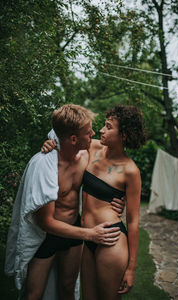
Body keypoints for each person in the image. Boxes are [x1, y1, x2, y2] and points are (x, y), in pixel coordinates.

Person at [5, 104, 124, 300]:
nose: (94, 134)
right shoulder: (46, 166)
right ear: (73, 139)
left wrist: (120, 199)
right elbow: (46, 222)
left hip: (73, 230)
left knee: (68, 287)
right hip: (47, 235)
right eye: (88, 132)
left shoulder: (87, 153)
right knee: (33, 294)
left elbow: (121, 168)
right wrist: (90, 234)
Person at [43, 104, 146, 300]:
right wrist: (50, 143)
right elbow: (67, 141)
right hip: (88, 238)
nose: (101, 130)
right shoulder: (93, 146)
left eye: (108, 127)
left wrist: (131, 268)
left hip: (110, 240)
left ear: (123, 135)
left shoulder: (130, 170)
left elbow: (133, 221)